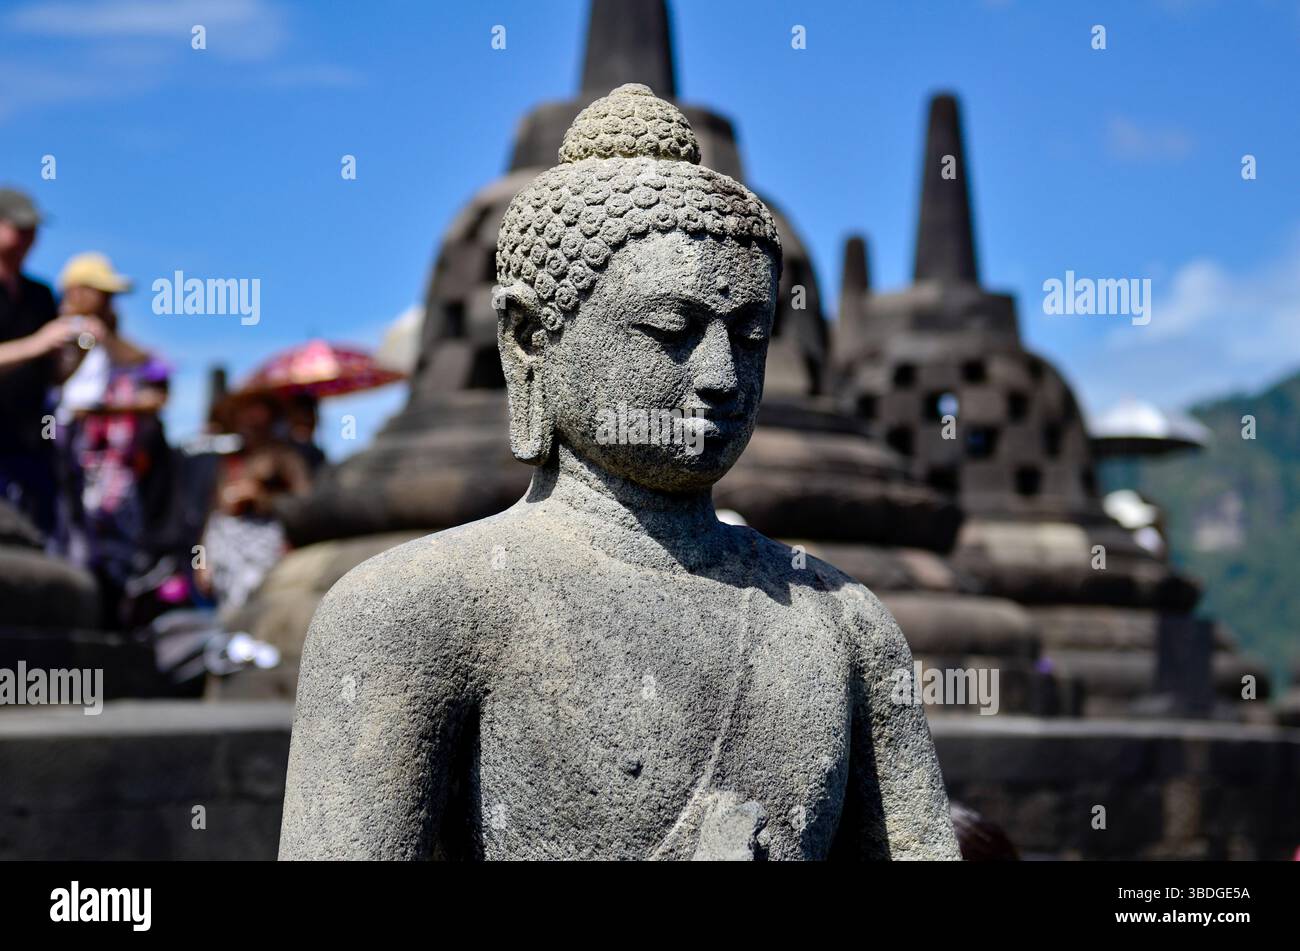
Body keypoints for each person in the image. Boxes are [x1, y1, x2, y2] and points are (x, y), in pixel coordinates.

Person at [0, 189, 103, 535]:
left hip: (31, 448)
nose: (29, 238)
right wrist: (36, 344)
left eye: (33, 229)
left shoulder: (40, 295)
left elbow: (55, 378)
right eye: (21, 227)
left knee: (37, 542)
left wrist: (82, 348)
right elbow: (35, 348)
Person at [198, 392, 311, 616]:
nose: (251, 417)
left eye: (257, 409)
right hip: (227, 548)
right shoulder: (230, 460)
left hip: (265, 546)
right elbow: (212, 515)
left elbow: (306, 503)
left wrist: (261, 499)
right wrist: (201, 561)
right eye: (245, 410)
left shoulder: (285, 456)